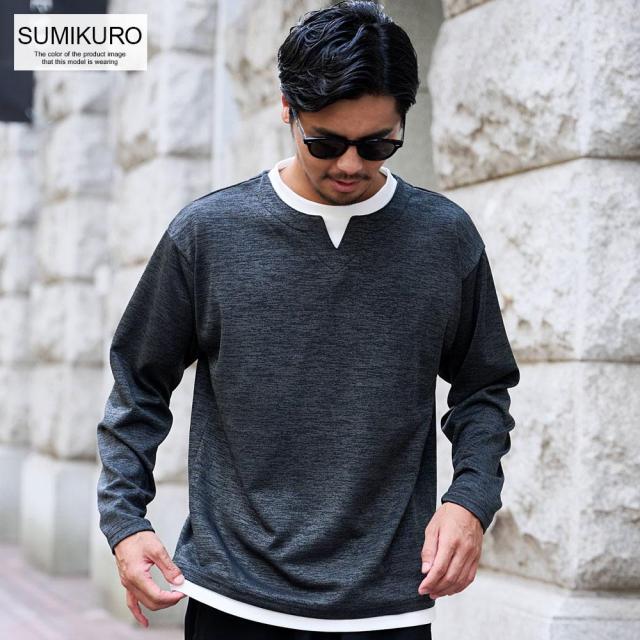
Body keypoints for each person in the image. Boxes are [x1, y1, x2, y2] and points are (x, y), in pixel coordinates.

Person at [96, 1, 520, 638]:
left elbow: (484, 386)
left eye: (378, 143)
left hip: (388, 606)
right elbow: (138, 382)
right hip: (234, 600)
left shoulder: (444, 238)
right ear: (286, 109)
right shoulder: (208, 234)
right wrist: (125, 522)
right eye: (325, 142)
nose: (350, 164)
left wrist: (470, 500)